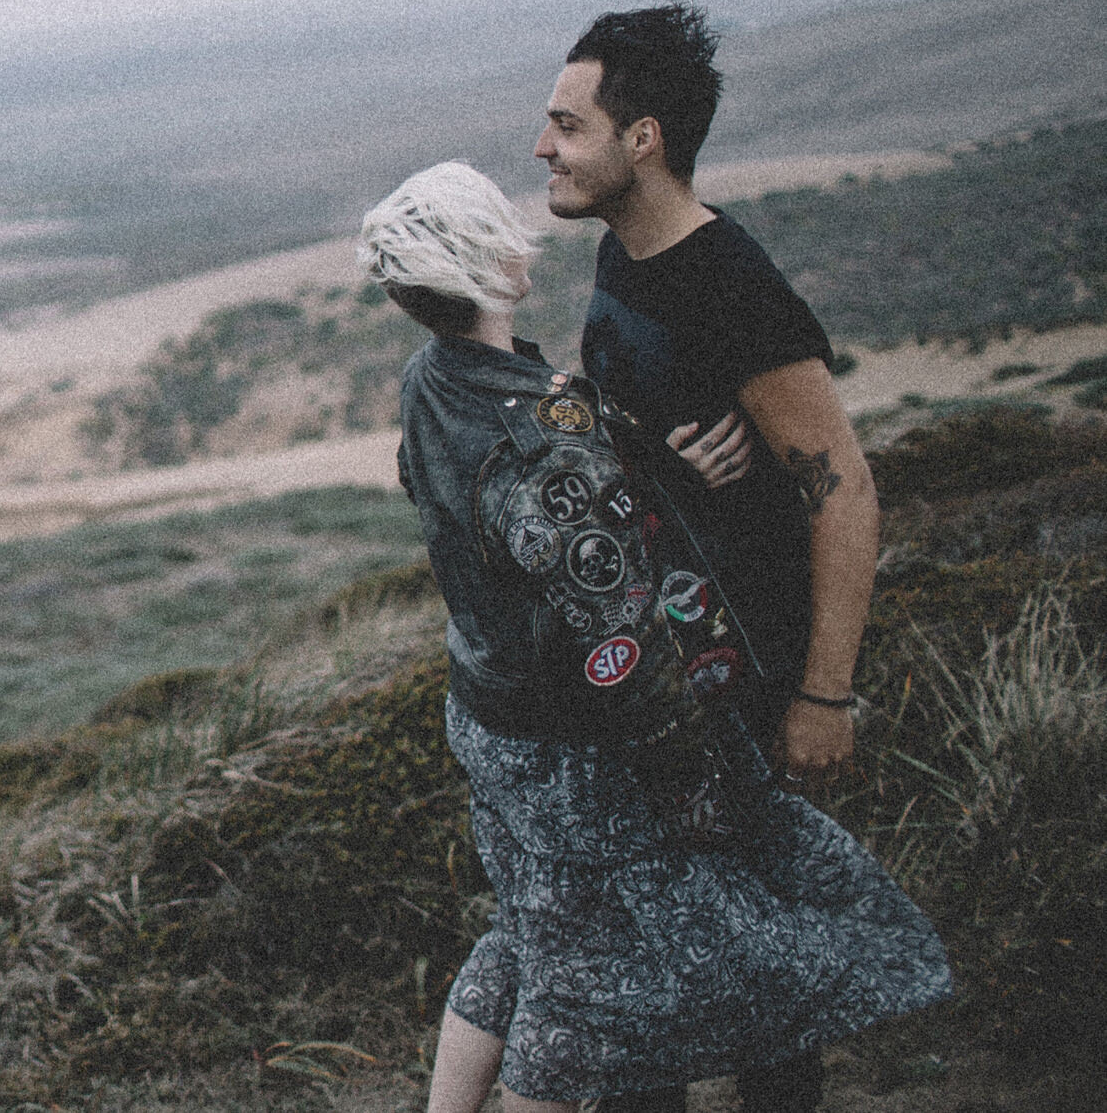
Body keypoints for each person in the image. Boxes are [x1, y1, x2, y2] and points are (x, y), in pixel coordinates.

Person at [356, 161, 948, 1113]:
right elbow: (619, 640)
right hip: (570, 756)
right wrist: (696, 762)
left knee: (523, 937)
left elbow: (495, 510)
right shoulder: (549, 442)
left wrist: (635, 467)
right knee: (582, 1003)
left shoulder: (432, 382)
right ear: (495, 268)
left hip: (491, 722)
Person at [539, 3, 944, 1111]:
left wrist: (823, 691)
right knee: (659, 948)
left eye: (567, 124)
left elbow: (844, 486)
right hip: (667, 675)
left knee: (765, 968)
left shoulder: (728, 283)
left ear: (643, 140)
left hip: (753, 673)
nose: (542, 147)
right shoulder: (629, 259)